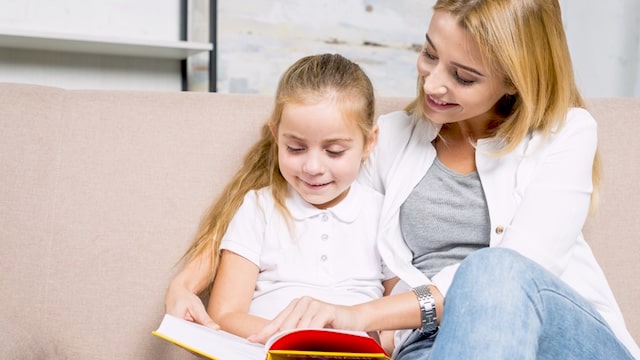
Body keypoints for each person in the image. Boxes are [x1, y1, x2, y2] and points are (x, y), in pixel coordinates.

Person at [244, 0, 640, 359]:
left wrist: (358, 315)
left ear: (515, 79)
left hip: (555, 339)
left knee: (490, 270)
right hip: (429, 343)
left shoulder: (567, 133)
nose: (432, 83)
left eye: (463, 76)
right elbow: (293, 193)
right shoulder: (389, 137)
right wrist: (188, 279)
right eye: (429, 54)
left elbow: (523, 265)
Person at [164, 53, 395, 341]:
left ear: (368, 143)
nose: (312, 168)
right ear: (276, 136)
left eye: (334, 151)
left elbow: (396, 319)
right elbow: (224, 313)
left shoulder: (383, 212)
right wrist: (292, 338)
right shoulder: (259, 208)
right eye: (296, 148)